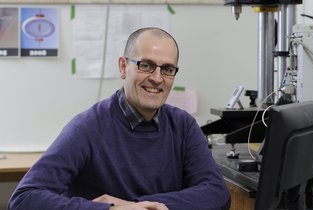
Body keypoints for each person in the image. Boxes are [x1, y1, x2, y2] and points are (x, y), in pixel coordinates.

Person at [8, 27, 230, 210]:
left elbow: (217, 193)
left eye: (168, 69)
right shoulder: (87, 127)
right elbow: (24, 199)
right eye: (146, 65)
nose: (156, 78)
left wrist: (139, 206)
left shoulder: (183, 126)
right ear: (124, 67)